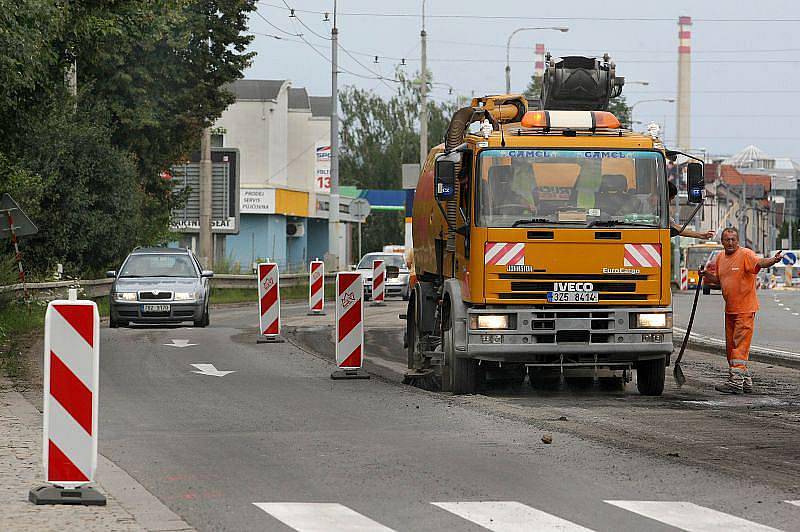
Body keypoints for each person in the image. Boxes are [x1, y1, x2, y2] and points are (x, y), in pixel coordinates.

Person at [701, 227, 783, 394]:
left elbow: (759, 263)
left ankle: (736, 381)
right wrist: (706, 276)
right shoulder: (720, 257)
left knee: (740, 346)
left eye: (733, 239)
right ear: (722, 242)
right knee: (731, 347)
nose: (730, 243)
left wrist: (773, 260)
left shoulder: (746, 254)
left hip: (745, 309)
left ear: (738, 241)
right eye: (727, 240)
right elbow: (721, 280)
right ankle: (745, 380)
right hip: (730, 309)